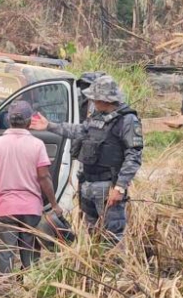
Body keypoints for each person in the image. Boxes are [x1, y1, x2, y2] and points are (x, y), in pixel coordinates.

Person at [30, 74, 142, 242]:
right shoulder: (97, 116)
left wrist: (119, 187)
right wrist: (50, 126)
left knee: (112, 237)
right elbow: (78, 131)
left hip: (108, 187)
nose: (92, 101)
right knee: (92, 234)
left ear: (106, 100)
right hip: (88, 184)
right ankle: (94, 266)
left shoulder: (127, 120)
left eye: (95, 98)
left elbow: (134, 154)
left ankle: (112, 268)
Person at [0, 100, 63, 273]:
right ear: (28, 121)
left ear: (8, 120)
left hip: (5, 208)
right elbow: (44, 177)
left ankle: (3, 292)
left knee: (4, 254)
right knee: (30, 253)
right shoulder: (37, 145)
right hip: (31, 209)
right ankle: (30, 287)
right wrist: (54, 204)